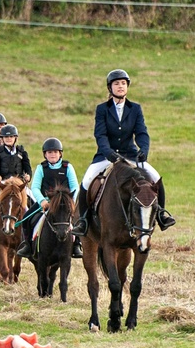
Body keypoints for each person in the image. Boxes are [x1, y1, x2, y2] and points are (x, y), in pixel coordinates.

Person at [71, 69, 176, 236]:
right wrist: (109, 153)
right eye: (116, 83)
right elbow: (100, 135)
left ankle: (161, 215)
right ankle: (83, 221)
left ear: (127, 87)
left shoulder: (135, 108)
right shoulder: (102, 109)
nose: (120, 86)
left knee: (156, 178)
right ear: (110, 88)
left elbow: (141, 132)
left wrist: (144, 150)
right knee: (86, 181)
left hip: (130, 156)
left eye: (123, 83)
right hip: (106, 157)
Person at [16, 138, 83, 259]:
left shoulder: (68, 167)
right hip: (46, 202)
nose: (53, 155)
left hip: (64, 203)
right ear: (45, 154)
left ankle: (77, 244)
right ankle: (27, 244)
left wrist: (71, 202)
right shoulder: (41, 168)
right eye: (49, 152)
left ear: (60, 153)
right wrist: (42, 201)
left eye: (55, 152)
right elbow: (35, 187)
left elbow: (74, 187)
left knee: (77, 219)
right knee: (26, 218)